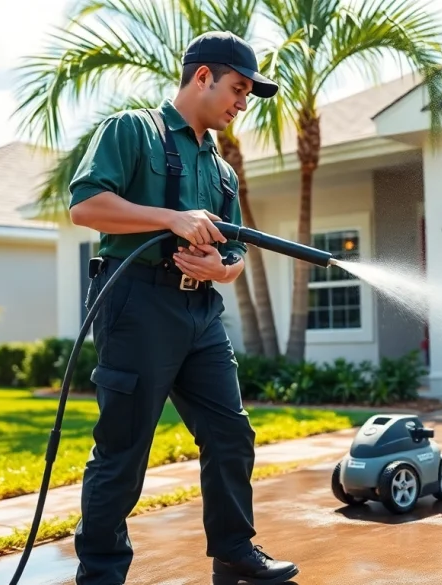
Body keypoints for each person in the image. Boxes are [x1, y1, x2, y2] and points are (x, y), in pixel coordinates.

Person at [66, 31, 298, 585]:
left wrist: (223, 270)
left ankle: (235, 549)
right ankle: (100, 574)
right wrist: (170, 218)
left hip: (201, 314)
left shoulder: (220, 170)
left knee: (230, 433)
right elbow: (85, 207)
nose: (243, 103)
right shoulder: (131, 131)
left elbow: (237, 253)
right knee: (123, 448)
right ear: (202, 77)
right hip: (134, 304)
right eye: (238, 89)